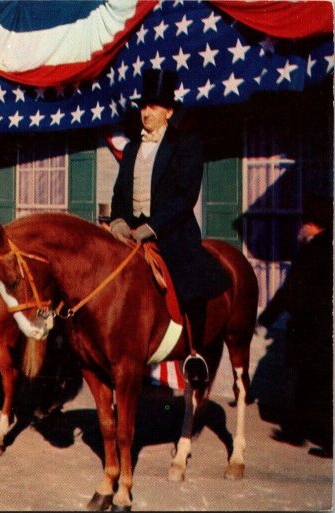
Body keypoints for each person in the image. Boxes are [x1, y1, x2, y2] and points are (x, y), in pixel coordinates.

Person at [109, 68, 230, 388]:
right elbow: (119, 190)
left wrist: (152, 227)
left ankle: (195, 351)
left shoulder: (186, 143)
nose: (145, 113)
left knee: (189, 280)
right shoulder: (133, 147)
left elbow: (185, 195)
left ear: (169, 111)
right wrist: (119, 220)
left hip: (172, 232)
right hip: (131, 232)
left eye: (153, 107)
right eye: (143, 107)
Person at [258, 196, 333, 456]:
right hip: (322, 329)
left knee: (316, 385)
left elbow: (290, 291)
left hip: (313, 329)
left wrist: (266, 317)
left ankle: (323, 438)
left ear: (313, 224)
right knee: (312, 383)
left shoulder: (312, 251)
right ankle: (298, 431)